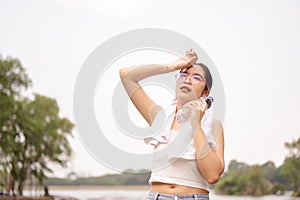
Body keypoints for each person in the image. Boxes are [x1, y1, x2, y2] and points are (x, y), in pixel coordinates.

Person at [119, 49, 225, 200]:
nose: (187, 80)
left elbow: (213, 175)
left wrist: (196, 124)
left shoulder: (214, 126)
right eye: (183, 75)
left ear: (206, 92)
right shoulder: (161, 117)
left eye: (196, 78)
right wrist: (172, 66)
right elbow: (126, 76)